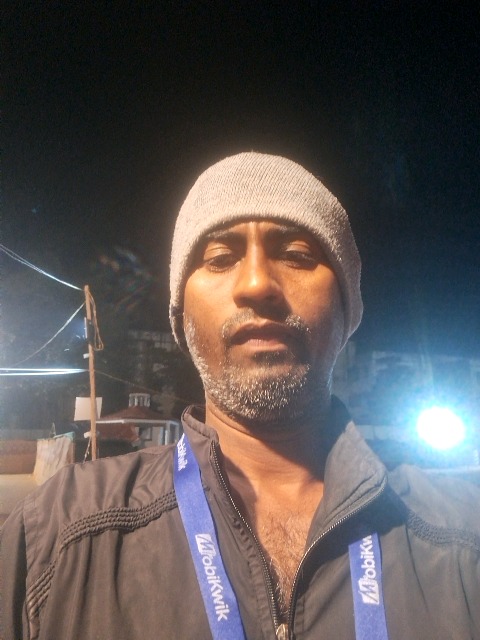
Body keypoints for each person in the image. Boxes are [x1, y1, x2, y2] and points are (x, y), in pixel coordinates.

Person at [1, 152, 480, 640]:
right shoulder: (56, 534)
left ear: (346, 307)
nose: (256, 284)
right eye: (219, 258)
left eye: (297, 254)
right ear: (182, 316)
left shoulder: (463, 537)